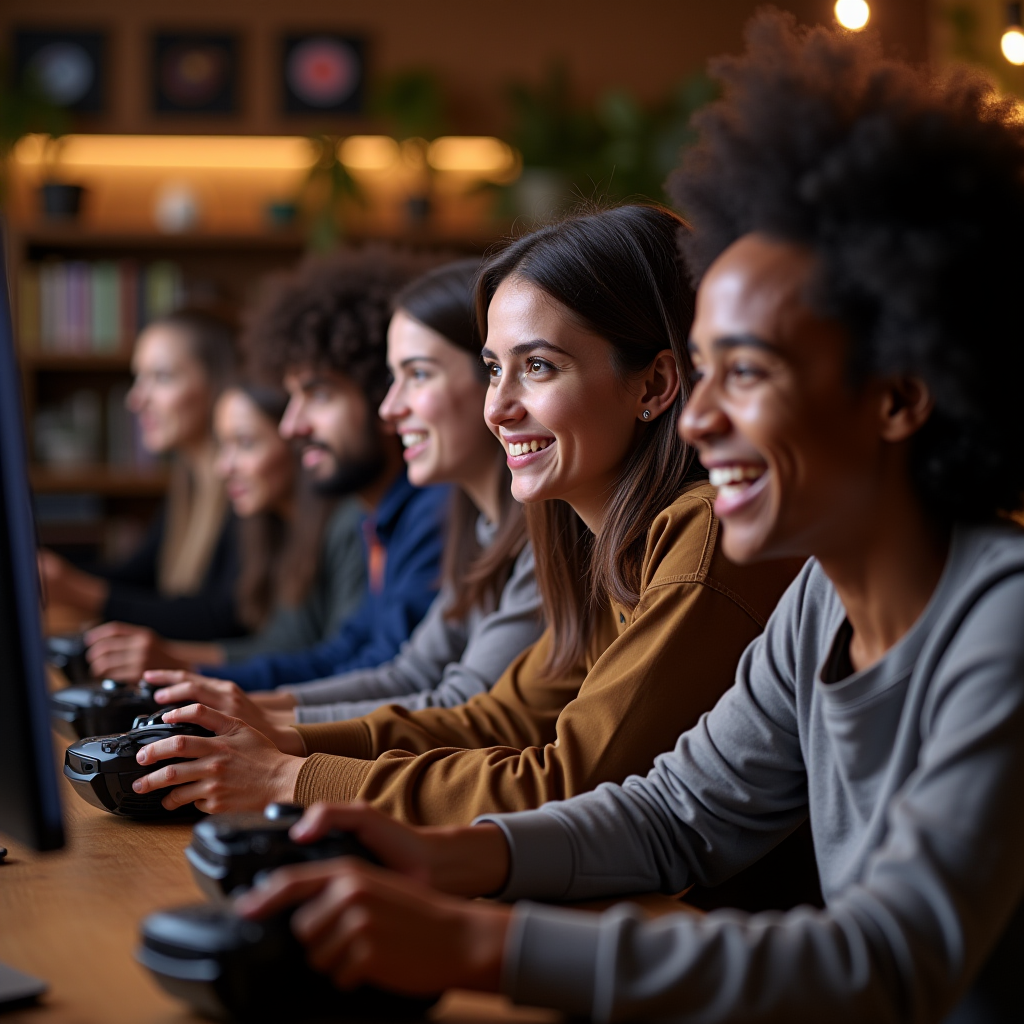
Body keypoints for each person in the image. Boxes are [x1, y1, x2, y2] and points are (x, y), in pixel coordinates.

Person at [235, 14, 1024, 1023]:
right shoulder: (818, 606)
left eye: (744, 372)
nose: (697, 417)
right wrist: (435, 850)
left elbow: (885, 962)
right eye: (701, 372)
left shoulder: (999, 619)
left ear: (899, 396)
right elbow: (670, 816)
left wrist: (480, 939)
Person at [129, 205, 800, 822]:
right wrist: (286, 741)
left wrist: (290, 776)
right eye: (491, 370)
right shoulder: (593, 539)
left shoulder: (704, 533)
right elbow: (497, 719)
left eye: (538, 367)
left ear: (654, 384)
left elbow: (570, 778)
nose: (498, 408)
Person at [144, 260, 544, 727]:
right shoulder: (466, 519)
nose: (391, 407)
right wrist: (242, 707)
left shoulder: (447, 514)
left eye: (417, 375)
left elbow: (467, 710)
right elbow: (404, 671)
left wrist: (270, 726)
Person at [179, 246, 450, 694]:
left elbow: (392, 677)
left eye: (319, 395)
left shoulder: (433, 510)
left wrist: (220, 693)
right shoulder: (379, 517)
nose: (292, 425)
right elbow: (345, 654)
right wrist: (199, 682)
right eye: (291, 398)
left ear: (382, 392)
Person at [82, 382, 367, 681]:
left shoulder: (347, 525)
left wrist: (178, 660)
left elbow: (336, 663)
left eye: (245, 444)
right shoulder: (274, 529)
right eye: (222, 446)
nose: (223, 467)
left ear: (296, 441)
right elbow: (277, 646)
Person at [39, 308, 243, 641]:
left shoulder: (246, 488)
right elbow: (136, 576)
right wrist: (52, 572)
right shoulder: (188, 484)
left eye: (161, 378)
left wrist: (78, 589)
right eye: (138, 378)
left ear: (219, 385)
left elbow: (223, 620)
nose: (136, 400)